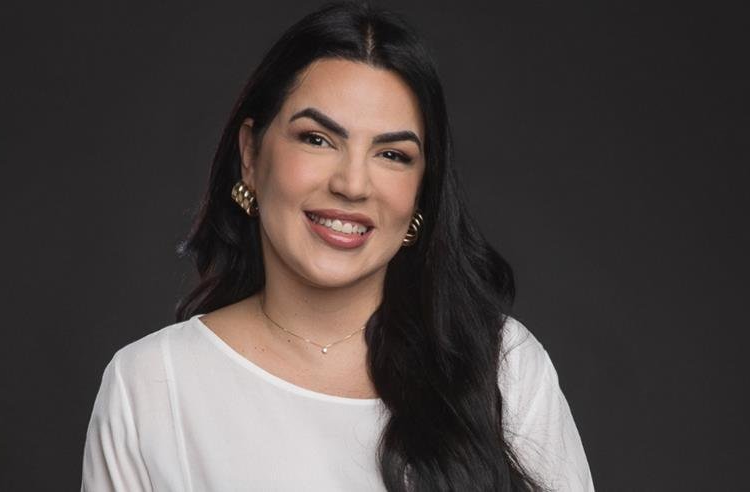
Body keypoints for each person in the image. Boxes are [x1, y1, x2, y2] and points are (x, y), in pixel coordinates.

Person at [80, 1, 593, 490]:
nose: (352, 184)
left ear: (421, 193)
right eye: (317, 139)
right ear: (251, 156)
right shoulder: (151, 384)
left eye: (392, 154)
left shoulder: (503, 367)